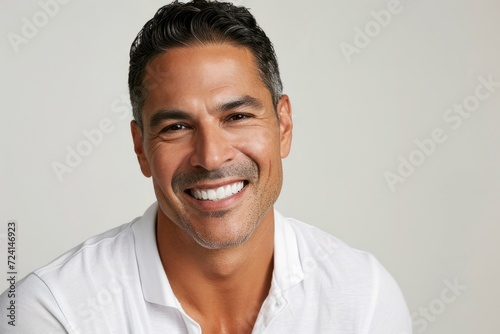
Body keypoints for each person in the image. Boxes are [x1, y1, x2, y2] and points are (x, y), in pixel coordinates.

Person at [1, 1, 412, 333]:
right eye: (177, 126)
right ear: (141, 148)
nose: (211, 157)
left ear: (283, 126)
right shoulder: (52, 313)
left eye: (237, 117)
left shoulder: (363, 298)